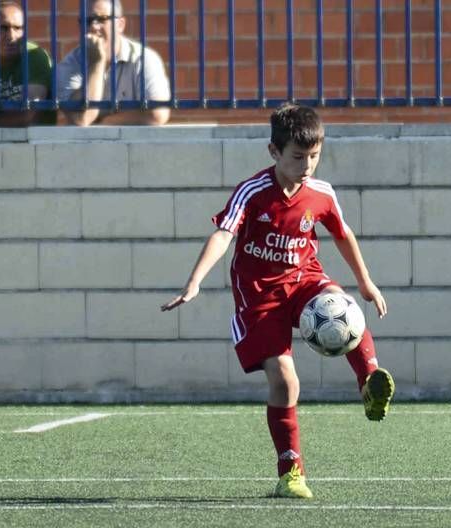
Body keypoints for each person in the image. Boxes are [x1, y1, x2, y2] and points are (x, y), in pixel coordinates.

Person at [161, 104, 395, 499]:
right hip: (260, 298)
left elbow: (342, 234)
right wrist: (194, 282)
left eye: (315, 157)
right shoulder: (253, 192)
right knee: (286, 382)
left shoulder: (321, 193)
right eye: (298, 157)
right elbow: (223, 235)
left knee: (341, 302)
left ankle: (368, 381)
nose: (307, 166)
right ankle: (290, 472)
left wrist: (366, 282)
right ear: (274, 152)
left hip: (304, 280)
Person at [56, 0, 170, 126]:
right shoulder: (70, 64)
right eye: (87, 21)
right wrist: (97, 64)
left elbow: (157, 114)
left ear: (120, 24)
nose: (93, 26)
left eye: (101, 19)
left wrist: (106, 123)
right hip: (85, 145)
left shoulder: (144, 59)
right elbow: (80, 119)